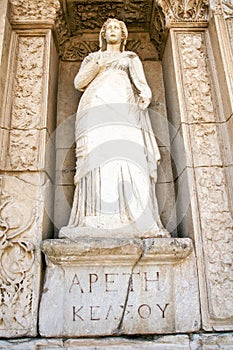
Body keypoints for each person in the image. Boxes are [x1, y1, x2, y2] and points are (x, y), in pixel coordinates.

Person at [59, 18, 170, 239]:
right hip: (94, 108)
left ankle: (134, 216)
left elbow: (142, 86)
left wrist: (145, 96)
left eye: (116, 29)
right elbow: (79, 83)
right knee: (95, 157)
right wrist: (96, 65)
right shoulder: (94, 58)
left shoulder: (130, 58)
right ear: (103, 34)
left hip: (123, 108)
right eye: (108, 28)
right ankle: (95, 216)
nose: (112, 31)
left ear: (123, 35)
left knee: (127, 154)